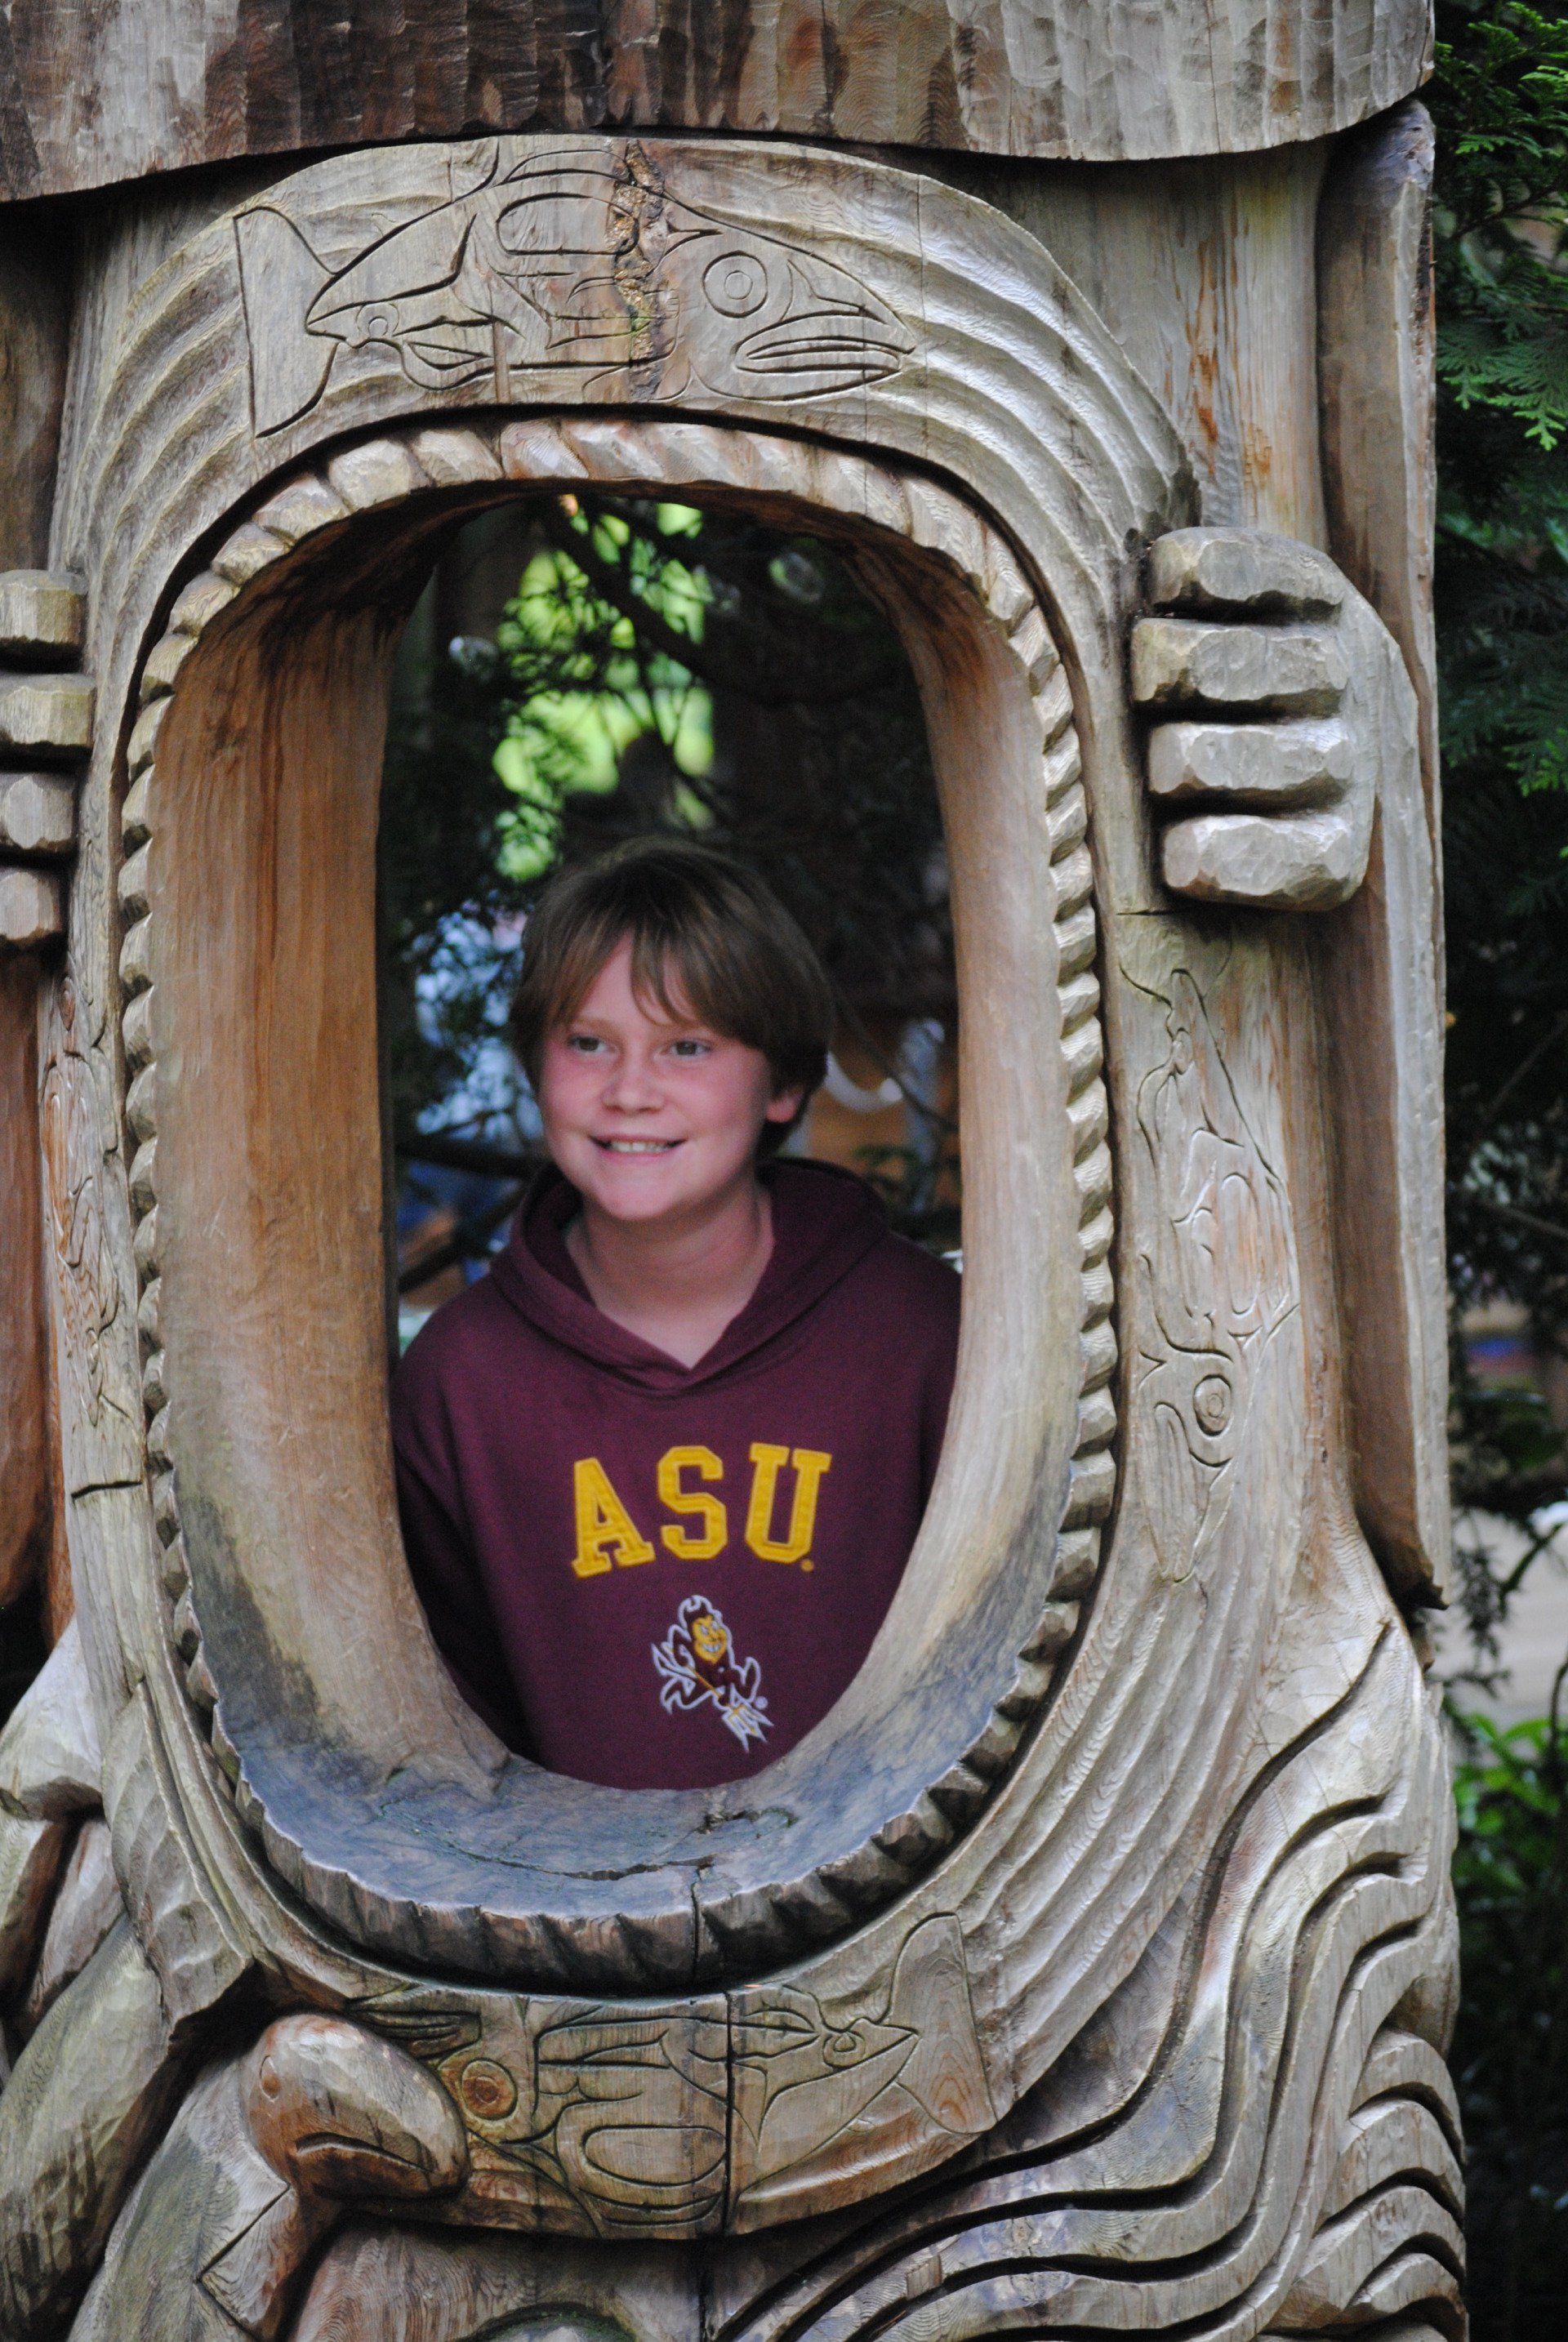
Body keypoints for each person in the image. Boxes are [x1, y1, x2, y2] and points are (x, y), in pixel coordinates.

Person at [390, 838, 960, 1791]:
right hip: (573, 1917)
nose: (630, 1090)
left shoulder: (921, 1338)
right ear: (535, 1067)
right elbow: (442, 1734)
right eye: (588, 1042)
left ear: (782, 1083)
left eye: (687, 1045)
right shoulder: (462, 1382)